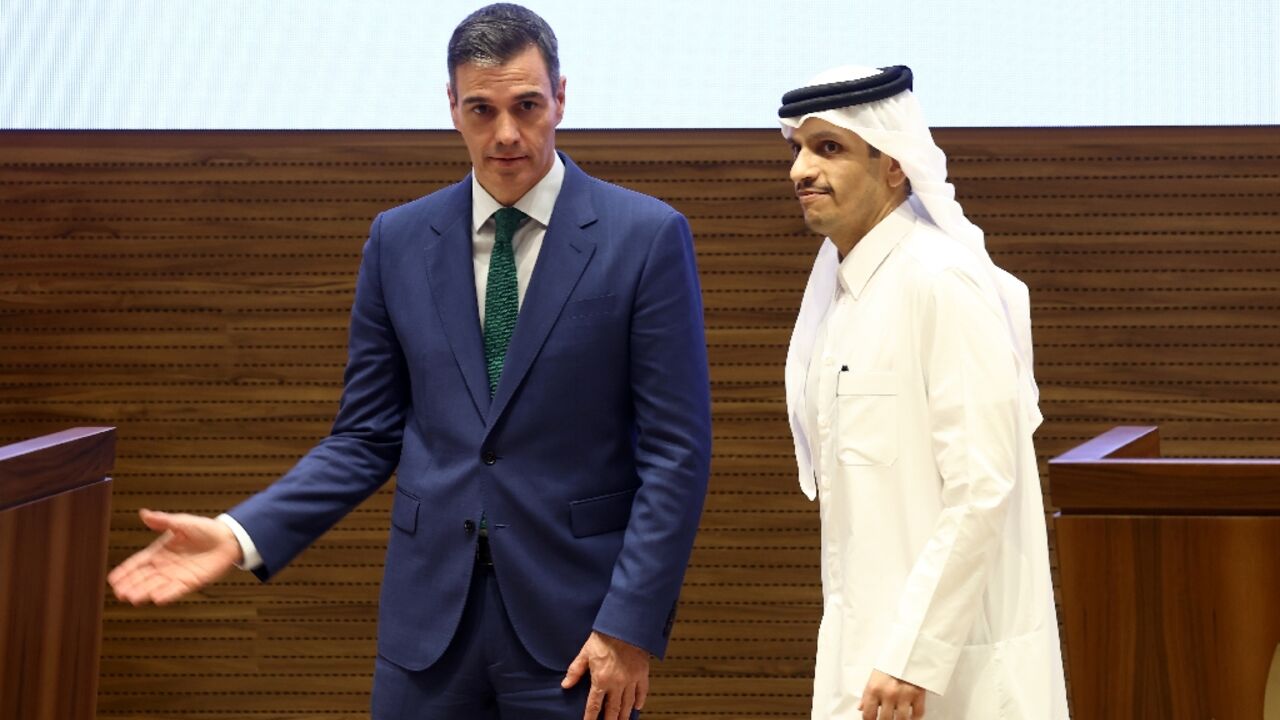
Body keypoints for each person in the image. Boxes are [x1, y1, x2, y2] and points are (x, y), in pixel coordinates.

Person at [107, 5, 712, 719]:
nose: (507, 134)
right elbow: (364, 438)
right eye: (482, 110)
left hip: (580, 633)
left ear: (562, 99)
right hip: (426, 638)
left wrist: (630, 625)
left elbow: (677, 453)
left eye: (527, 106)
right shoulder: (398, 241)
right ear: (452, 107)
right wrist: (243, 534)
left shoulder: (645, 237)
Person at [778, 65, 1069, 719]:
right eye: (796, 149)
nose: (800, 170)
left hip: (947, 672)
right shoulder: (844, 291)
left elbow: (980, 487)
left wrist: (912, 653)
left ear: (894, 167)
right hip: (869, 662)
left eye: (828, 148)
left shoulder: (940, 282)